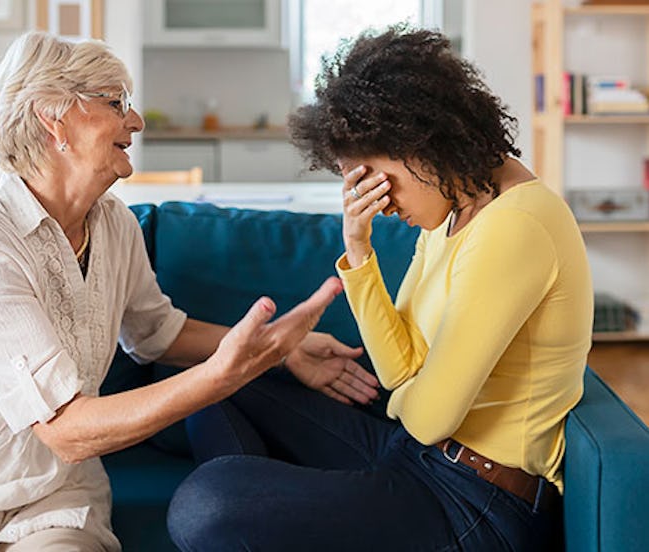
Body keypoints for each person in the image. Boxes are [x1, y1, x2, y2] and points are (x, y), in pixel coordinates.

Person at [0, 32, 380, 552]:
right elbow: (65, 429)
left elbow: (157, 334)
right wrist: (223, 375)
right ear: (53, 121)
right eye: (115, 103)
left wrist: (283, 347)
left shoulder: (113, 225)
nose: (134, 119)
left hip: (50, 502)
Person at [167, 25, 593, 551]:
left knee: (207, 504)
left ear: (418, 140)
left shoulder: (516, 225)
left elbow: (431, 416)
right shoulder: (455, 211)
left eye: (376, 178)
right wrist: (358, 244)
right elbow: (397, 369)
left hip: (477, 503)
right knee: (214, 382)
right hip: (419, 458)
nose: (381, 201)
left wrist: (410, 397)